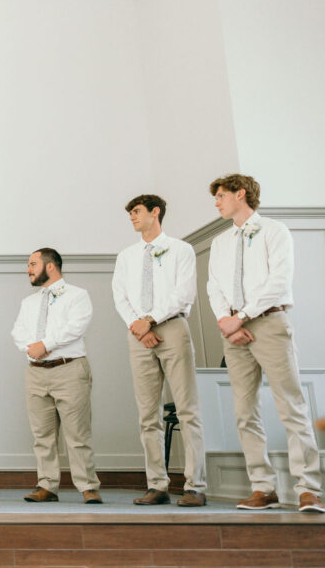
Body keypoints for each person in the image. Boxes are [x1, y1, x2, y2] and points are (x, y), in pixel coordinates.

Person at [206, 174, 323, 513]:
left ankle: (308, 488)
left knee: (291, 406)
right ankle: (262, 488)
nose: (216, 202)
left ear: (240, 194)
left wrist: (241, 315)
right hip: (233, 330)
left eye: (221, 196)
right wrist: (228, 323)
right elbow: (214, 286)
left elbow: (279, 281)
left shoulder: (275, 231)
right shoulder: (220, 242)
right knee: (244, 412)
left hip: (270, 322)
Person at [112, 195, 207, 506]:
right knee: (146, 414)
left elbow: (184, 292)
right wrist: (138, 325)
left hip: (172, 327)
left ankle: (195, 486)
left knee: (187, 408)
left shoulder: (181, 249)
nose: (132, 218)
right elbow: (120, 295)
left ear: (155, 212)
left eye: (136, 212)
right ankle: (157, 485)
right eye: (130, 214)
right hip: (137, 335)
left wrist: (151, 320)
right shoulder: (126, 256)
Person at [12, 248, 102, 504]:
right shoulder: (28, 302)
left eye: (32, 264)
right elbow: (18, 331)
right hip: (36, 372)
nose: (27, 269)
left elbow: (76, 327)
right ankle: (47, 485)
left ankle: (88, 487)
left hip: (69, 370)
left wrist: (46, 344)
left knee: (77, 434)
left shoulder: (77, 295)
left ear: (50, 266)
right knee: (42, 435)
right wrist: (30, 348)